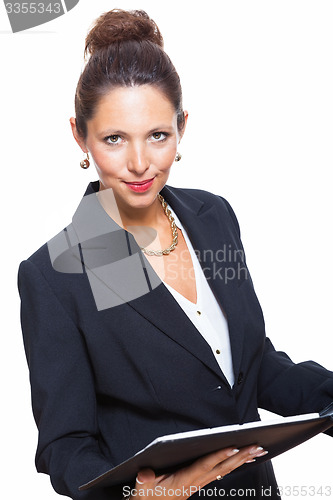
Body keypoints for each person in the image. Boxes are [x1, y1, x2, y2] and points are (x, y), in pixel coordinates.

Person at [17, 9, 333, 500]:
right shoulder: (61, 273)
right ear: (80, 136)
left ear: (182, 127)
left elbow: (248, 364)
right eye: (114, 139)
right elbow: (66, 447)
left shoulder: (213, 215)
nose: (140, 163)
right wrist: (142, 494)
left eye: (158, 135)